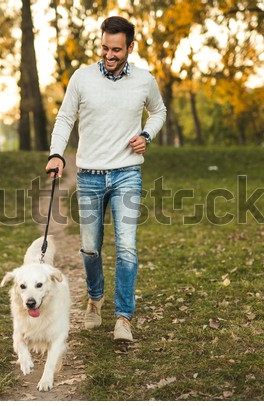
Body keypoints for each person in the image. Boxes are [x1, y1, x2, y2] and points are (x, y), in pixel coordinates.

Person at [45, 16, 166, 342]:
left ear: (129, 47)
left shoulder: (144, 80)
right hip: (90, 176)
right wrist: (56, 153)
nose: (109, 55)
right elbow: (65, 117)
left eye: (116, 49)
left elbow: (159, 112)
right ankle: (95, 299)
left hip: (128, 172)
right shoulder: (82, 78)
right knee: (89, 249)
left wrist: (147, 134)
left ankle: (123, 317)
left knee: (127, 248)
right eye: (104, 48)